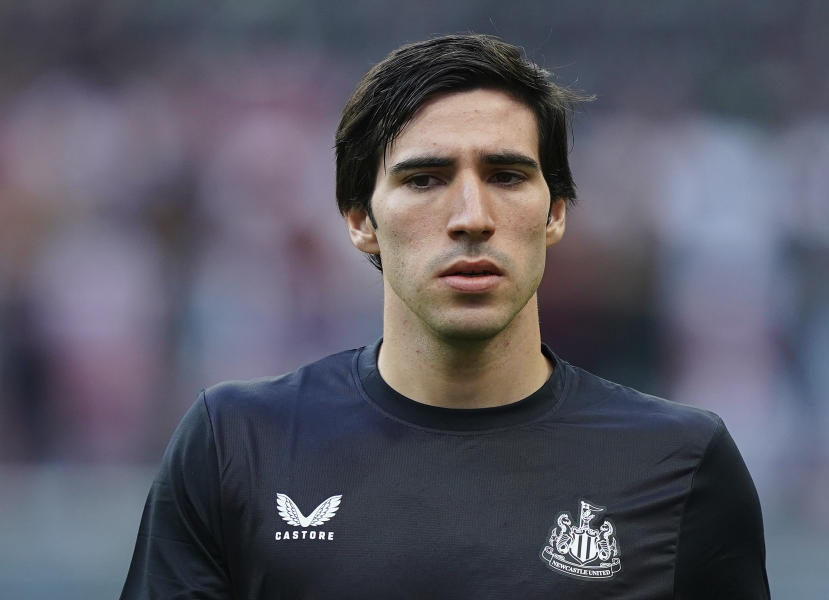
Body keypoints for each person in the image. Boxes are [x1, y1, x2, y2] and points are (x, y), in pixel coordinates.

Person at [122, 34, 770, 599]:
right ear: (359, 222)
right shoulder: (235, 444)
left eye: (507, 175)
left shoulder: (680, 462)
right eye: (425, 179)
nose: (470, 216)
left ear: (556, 214)